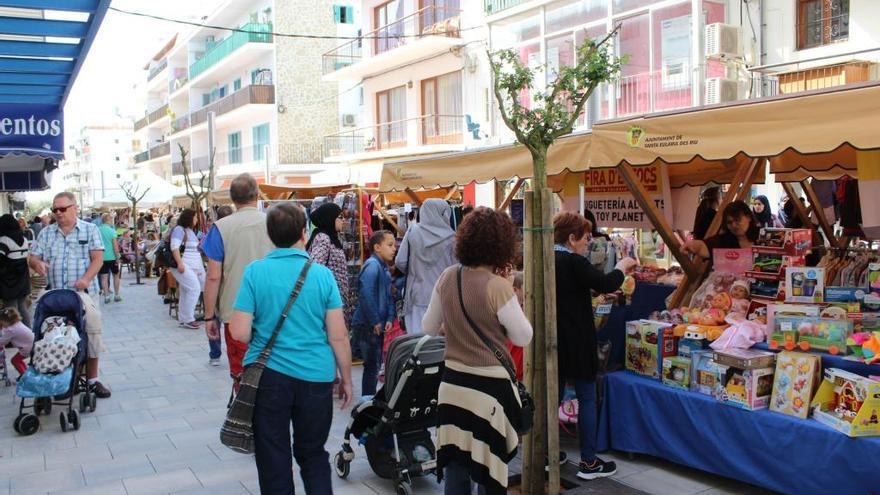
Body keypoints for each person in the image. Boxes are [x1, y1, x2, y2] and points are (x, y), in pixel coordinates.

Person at [229, 202, 353, 494]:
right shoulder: (322, 275)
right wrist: (346, 378)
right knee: (313, 454)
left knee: (273, 457)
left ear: (270, 234)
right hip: (316, 377)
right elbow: (338, 335)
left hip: (269, 377)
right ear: (302, 231)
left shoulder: (255, 272)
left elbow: (239, 331)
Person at [422, 207, 533, 495]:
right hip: (489, 393)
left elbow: (428, 327)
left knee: (456, 468)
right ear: (502, 244)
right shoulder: (498, 286)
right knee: (488, 470)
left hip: (452, 386)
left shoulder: (448, 276)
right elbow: (523, 337)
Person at [554, 212, 638, 480]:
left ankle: (547, 454)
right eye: (585, 237)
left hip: (553, 339)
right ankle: (589, 461)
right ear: (571, 238)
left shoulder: (546, 259)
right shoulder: (573, 261)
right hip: (577, 338)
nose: (587, 243)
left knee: (552, 396)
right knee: (587, 396)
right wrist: (622, 266)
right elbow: (605, 281)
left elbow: (574, 290)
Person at [28, 192, 111, 398]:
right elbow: (32, 257)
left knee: (91, 330)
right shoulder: (46, 233)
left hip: (84, 294)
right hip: (55, 293)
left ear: (75, 208)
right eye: (54, 209)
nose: (58, 213)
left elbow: (98, 259)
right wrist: (36, 263)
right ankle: (53, 375)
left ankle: (92, 379)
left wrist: (85, 279)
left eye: (62, 209)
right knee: (46, 331)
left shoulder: (90, 230)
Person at [202, 173, 273, 385]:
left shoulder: (221, 228)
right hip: (274, 309)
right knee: (273, 373)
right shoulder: (275, 221)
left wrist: (208, 317)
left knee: (242, 374)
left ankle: (245, 416)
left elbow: (213, 276)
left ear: (232, 198)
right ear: (257, 195)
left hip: (235, 313)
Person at [395, 198, 456, 334]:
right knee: (439, 345)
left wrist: (415, 271)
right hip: (444, 298)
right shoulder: (453, 239)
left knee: (417, 343)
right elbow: (457, 269)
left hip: (416, 296)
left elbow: (400, 261)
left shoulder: (412, 232)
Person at [352, 230, 396, 397]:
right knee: (371, 366)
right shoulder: (372, 266)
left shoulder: (383, 267)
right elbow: (366, 293)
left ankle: (368, 400)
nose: (394, 249)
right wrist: (375, 320)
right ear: (377, 247)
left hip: (374, 324)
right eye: (390, 245)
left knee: (374, 365)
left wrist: (390, 317)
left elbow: (389, 294)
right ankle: (367, 401)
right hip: (367, 325)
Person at [306, 202, 349, 312]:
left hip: (335, 299)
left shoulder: (331, 236)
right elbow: (314, 267)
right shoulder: (323, 238)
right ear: (330, 218)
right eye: (340, 217)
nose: (343, 220)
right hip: (329, 303)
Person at [682, 200, 760, 261]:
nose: (733, 225)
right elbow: (704, 246)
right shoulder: (724, 240)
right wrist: (693, 245)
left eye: (737, 220)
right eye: (729, 222)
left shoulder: (762, 236)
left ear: (749, 217)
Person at [169, 209, 205, 330]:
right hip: (184, 265)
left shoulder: (190, 231)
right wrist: (180, 263)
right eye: (195, 217)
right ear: (189, 218)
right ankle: (189, 319)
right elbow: (174, 247)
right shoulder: (179, 230)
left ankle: (184, 318)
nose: (196, 220)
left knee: (186, 290)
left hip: (191, 265)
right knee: (195, 289)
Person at [0, 214, 32, 327]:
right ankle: (28, 332)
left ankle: (16, 336)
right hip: (23, 278)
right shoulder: (24, 238)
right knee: (22, 307)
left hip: (9, 280)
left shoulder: (4, 240)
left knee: (11, 310)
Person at [0, 307, 33, 378]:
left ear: (7, 321)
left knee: (14, 361)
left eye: (2, 323)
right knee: (18, 360)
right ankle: (25, 373)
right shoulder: (17, 323)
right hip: (31, 345)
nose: (2, 325)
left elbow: (3, 342)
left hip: (27, 348)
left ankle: (24, 376)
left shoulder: (11, 330)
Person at [97, 213, 121, 304]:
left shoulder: (98, 230)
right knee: (116, 275)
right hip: (112, 257)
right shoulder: (112, 231)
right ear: (109, 220)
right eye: (111, 219)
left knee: (104, 277)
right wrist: (117, 256)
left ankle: (106, 296)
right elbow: (115, 245)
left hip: (101, 257)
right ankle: (117, 295)